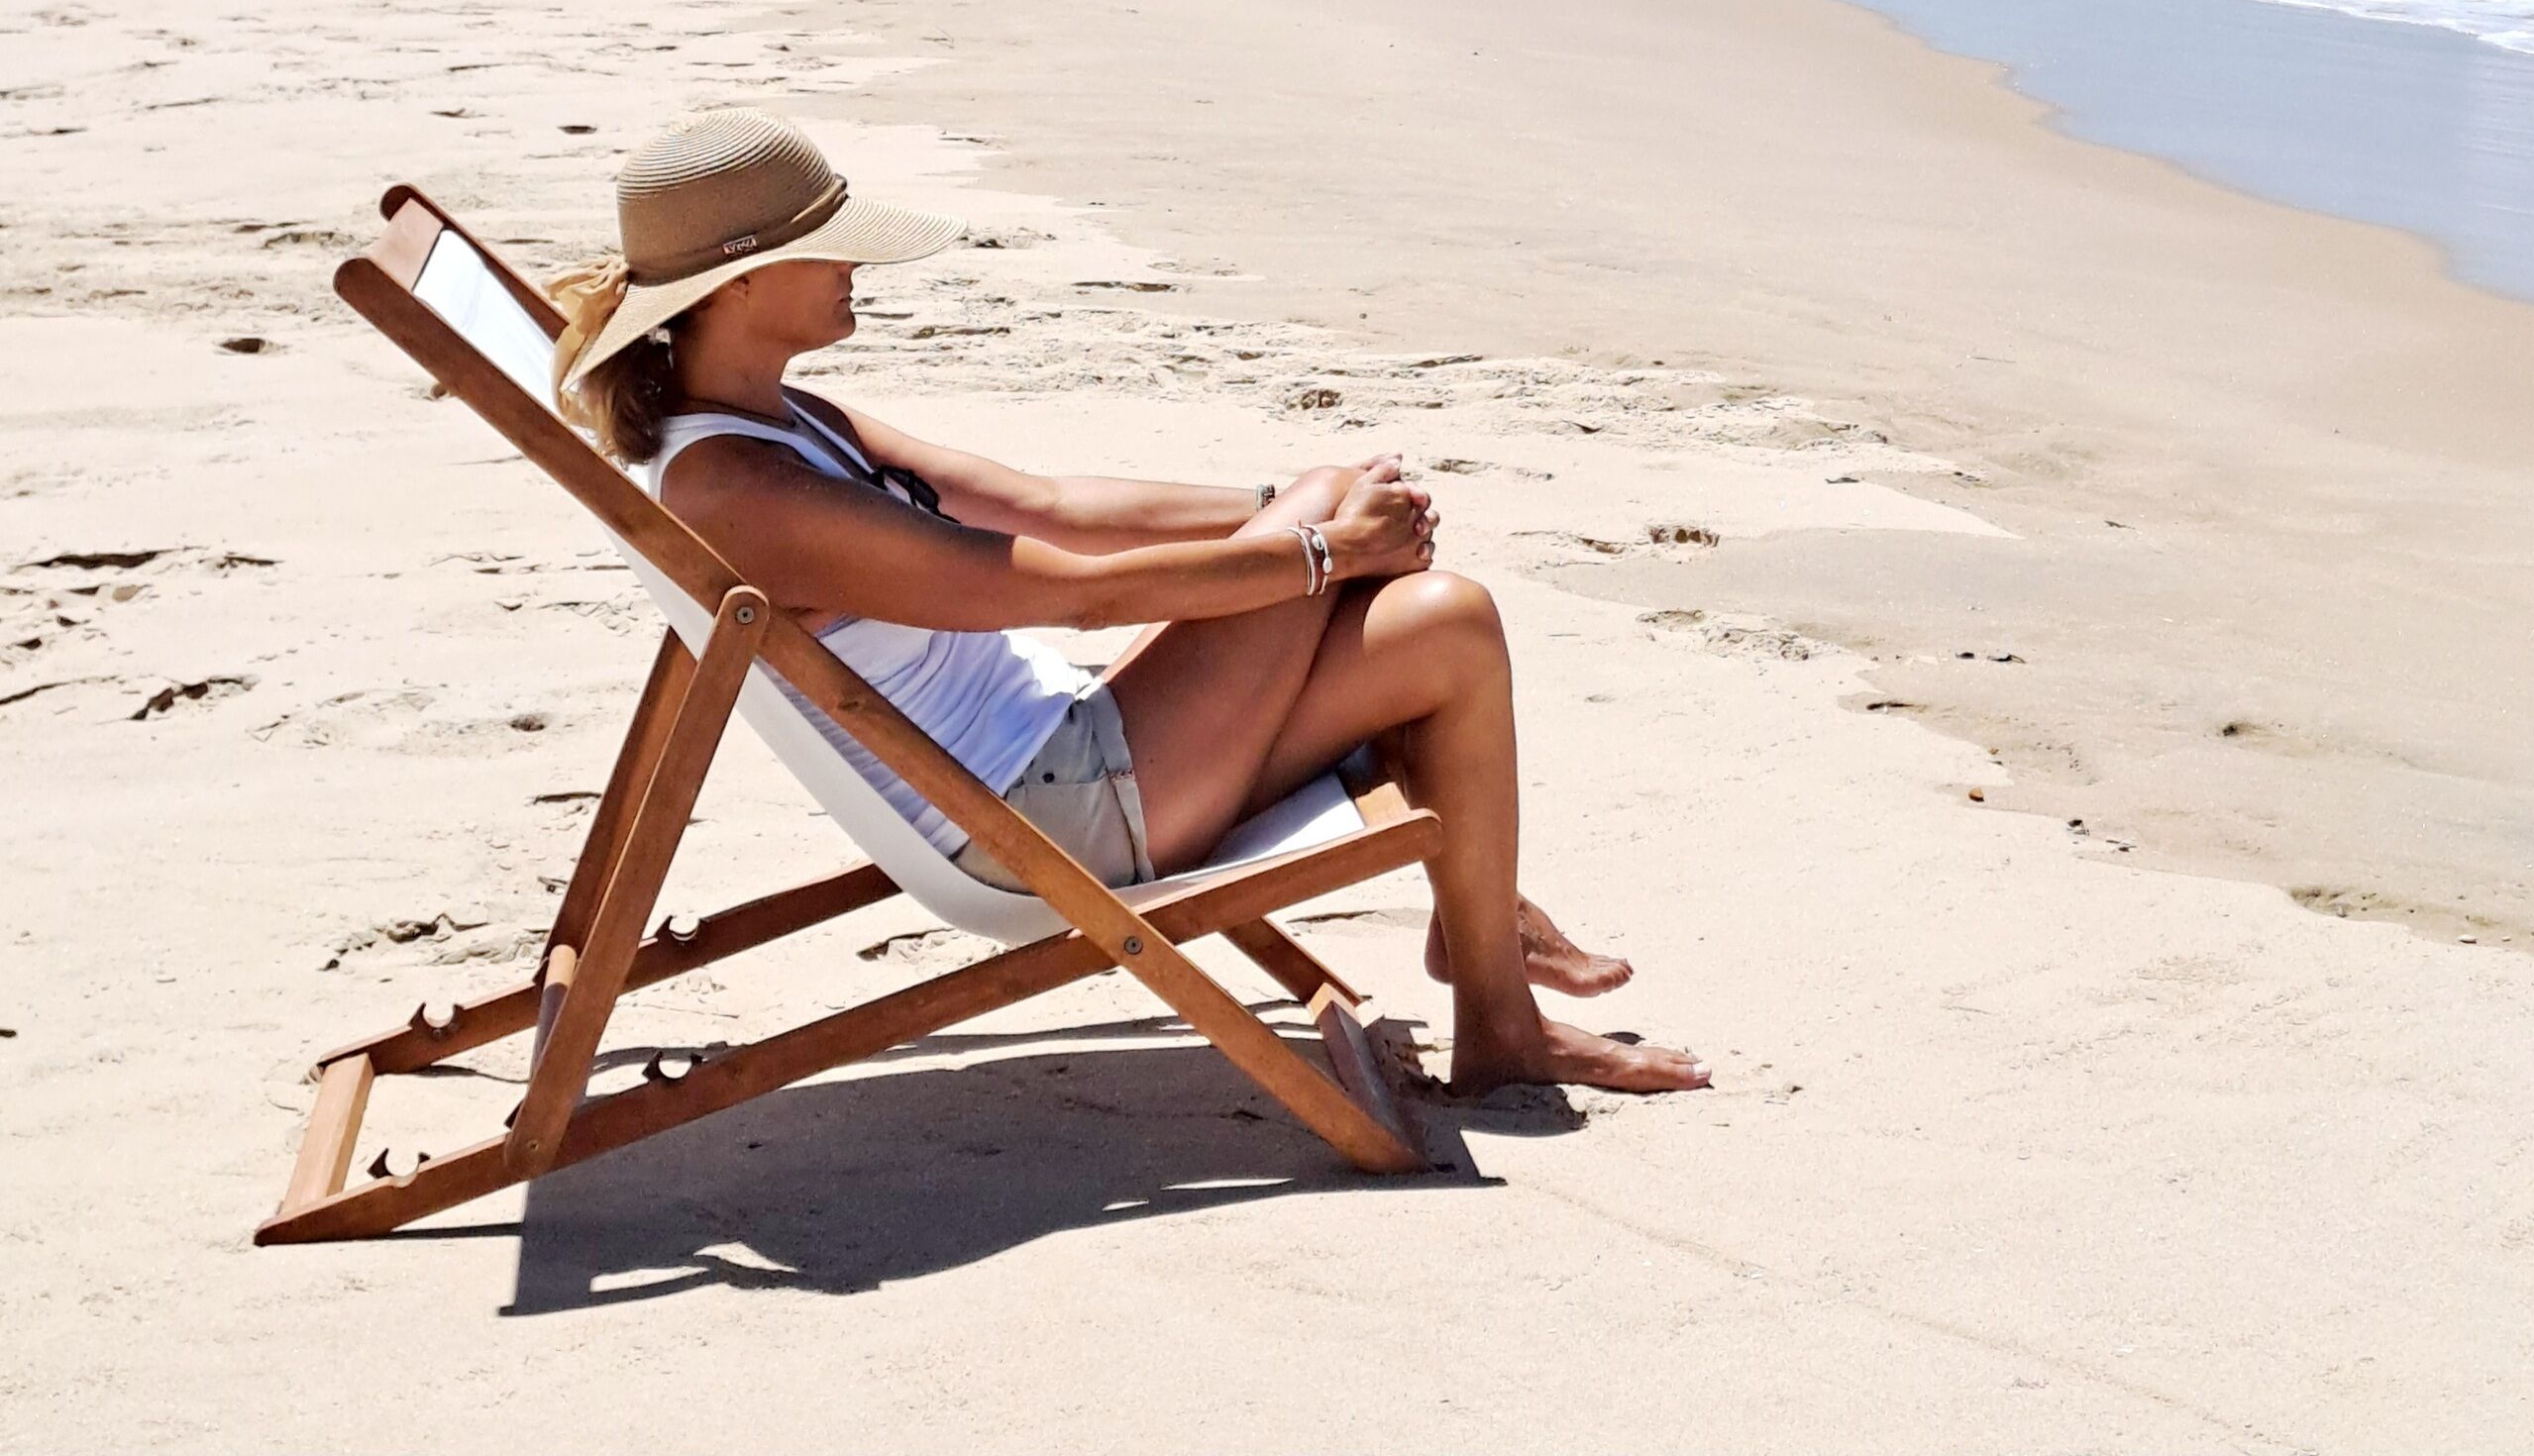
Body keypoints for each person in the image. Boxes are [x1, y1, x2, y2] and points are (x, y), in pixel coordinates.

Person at [557, 108, 1706, 1100]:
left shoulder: (787, 420)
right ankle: (1485, 927)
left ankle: (1495, 1011)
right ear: (741, 281)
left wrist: (1277, 511)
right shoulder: (737, 487)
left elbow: (1054, 505)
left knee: (1442, 618)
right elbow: (1070, 594)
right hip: (1043, 823)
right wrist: (1316, 544)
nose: (858, 267)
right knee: (1343, 523)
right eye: (831, 248)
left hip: (1077, 754)